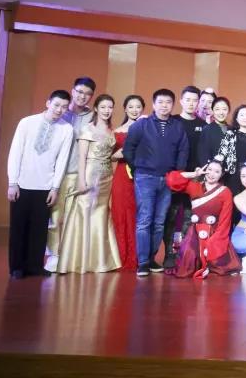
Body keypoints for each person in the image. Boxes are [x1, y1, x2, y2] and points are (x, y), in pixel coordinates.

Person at [6, 90, 73, 279]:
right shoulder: (27, 123)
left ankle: (35, 266)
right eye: (56, 105)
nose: (59, 110)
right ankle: (17, 267)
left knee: (39, 229)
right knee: (19, 227)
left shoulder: (66, 129)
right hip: (22, 184)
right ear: (48, 103)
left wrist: (55, 187)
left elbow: (62, 160)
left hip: (45, 186)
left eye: (64, 107)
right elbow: (15, 152)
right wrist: (13, 182)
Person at [123, 88, 189, 277]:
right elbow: (128, 149)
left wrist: (176, 174)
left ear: (173, 105)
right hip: (145, 178)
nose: (164, 106)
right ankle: (143, 262)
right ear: (153, 104)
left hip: (167, 179)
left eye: (168, 102)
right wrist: (138, 168)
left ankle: (151, 258)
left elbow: (183, 150)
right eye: (160, 102)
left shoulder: (177, 126)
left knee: (160, 222)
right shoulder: (141, 125)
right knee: (145, 219)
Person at [57, 94, 122, 274]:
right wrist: (81, 181)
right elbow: (82, 157)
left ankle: (98, 261)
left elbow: (110, 155)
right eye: (103, 107)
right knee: (84, 212)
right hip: (90, 175)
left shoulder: (110, 131)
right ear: (96, 109)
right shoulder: (87, 129)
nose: (107, 110)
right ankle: (80, 261)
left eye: (110, 107)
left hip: (107, 177)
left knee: (101, 215)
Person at [45, 77, 96, 273]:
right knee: (55, 217)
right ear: (73, 91)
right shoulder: (60, 112)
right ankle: (53, 254)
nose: (83, 96)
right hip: (56, 174)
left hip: (79, 173)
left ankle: (69, 255)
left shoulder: (93, 116)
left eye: (87, 94)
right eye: (80, 92)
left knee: (74, 218)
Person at [165, 159, 241, 279]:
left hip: (215, 233)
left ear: (222, 174)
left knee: (218, 262)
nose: (212, 174)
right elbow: (171, 179)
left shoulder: (225, 192)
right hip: (194, 233)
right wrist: (194, 174)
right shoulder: (195, 186)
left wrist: (215, 241)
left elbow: (225, 221)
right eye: (209, 169)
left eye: (216, 171)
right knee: (188, 262)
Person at [164, 86, 204, 270]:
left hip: (195, 178)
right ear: (181, 101)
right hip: (174, 177)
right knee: (171, 217)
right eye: (188, 99)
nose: (191, 103)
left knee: (189, 218)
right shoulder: (172, 121)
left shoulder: (203, 124)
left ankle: (185, 255)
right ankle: (170, 254)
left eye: (195, 100)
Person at [110, 94, 143, 271]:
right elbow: (112, 156)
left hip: (142, 175)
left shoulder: (146, 128)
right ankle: (121, 256)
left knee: (139, 215)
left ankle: (139, 257)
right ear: (125, 109)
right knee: (122, 214)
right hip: (123, 176)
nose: (134, 110)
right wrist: (127, 148)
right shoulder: (117, 130)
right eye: (131, 107)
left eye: (138, 107)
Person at [217, 104, 246, 195]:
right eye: (242, 115)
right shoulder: (230, 134)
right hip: (233, 175)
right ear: (236, 118)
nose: (245, 117)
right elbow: (221, 154)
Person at [194, 96, 231, 168]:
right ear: (212, 110)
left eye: (224, 109)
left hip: (230, 171)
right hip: (213, 171)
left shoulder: (232, 129)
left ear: (228, 111)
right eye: (217, 109)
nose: (221, 112)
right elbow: (203, 155)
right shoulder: (207, 129)